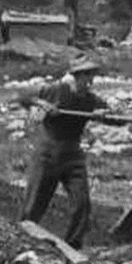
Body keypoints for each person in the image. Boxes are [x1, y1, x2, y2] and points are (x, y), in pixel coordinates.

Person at [17, 58, 108, 246]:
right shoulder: (56, 90)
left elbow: (119, 119)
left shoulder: (91, 100)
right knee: (34, 205)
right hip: (47, 155)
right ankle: (21, 241)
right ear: (77, 76)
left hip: (73, 157)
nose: (90, 81)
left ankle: (72, 247)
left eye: (92, 76)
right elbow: (23, 96)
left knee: (82, 204)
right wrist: (42, 104)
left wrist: (105, 116)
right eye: (86, 76)